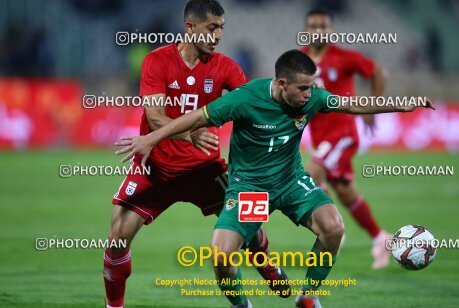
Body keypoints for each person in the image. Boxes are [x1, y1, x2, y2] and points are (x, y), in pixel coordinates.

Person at [115, 49, 434, 307]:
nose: (311, 94)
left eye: (312, 86)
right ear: (282, 84)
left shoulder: (313, 98)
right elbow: (196, 117)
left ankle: (308, 296)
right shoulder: (245, 99)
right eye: (304, 88)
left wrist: (403, 105)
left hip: (291, 181)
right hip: (250, 189)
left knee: (334, 227)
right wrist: (150, 138)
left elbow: (354, 104)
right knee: (221, 256)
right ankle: (242, 304)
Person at [103, 0, 288, 308]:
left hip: (206, 169)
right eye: (211, 27)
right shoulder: (157, 61)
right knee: (118, 237)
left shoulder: (227, 68)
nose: (218, 35)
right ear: (189, 27)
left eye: (221, 28)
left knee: (252, 227)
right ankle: (114, 306)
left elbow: (251, 104)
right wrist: (191, 134)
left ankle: (268, 264)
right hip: (156, 166)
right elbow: (155, 115)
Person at [302, 9, 392, 269]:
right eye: (314, 26)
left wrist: (372, 106)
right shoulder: (301, 59)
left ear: (331, 30)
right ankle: (380, 238)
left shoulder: (343, 57)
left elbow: (379, 73)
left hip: (342, 134)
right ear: (306, 30)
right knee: (344, 190)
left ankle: (332, 231)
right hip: (320, 136)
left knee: (309, 177)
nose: (319, 30)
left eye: (324, 26)